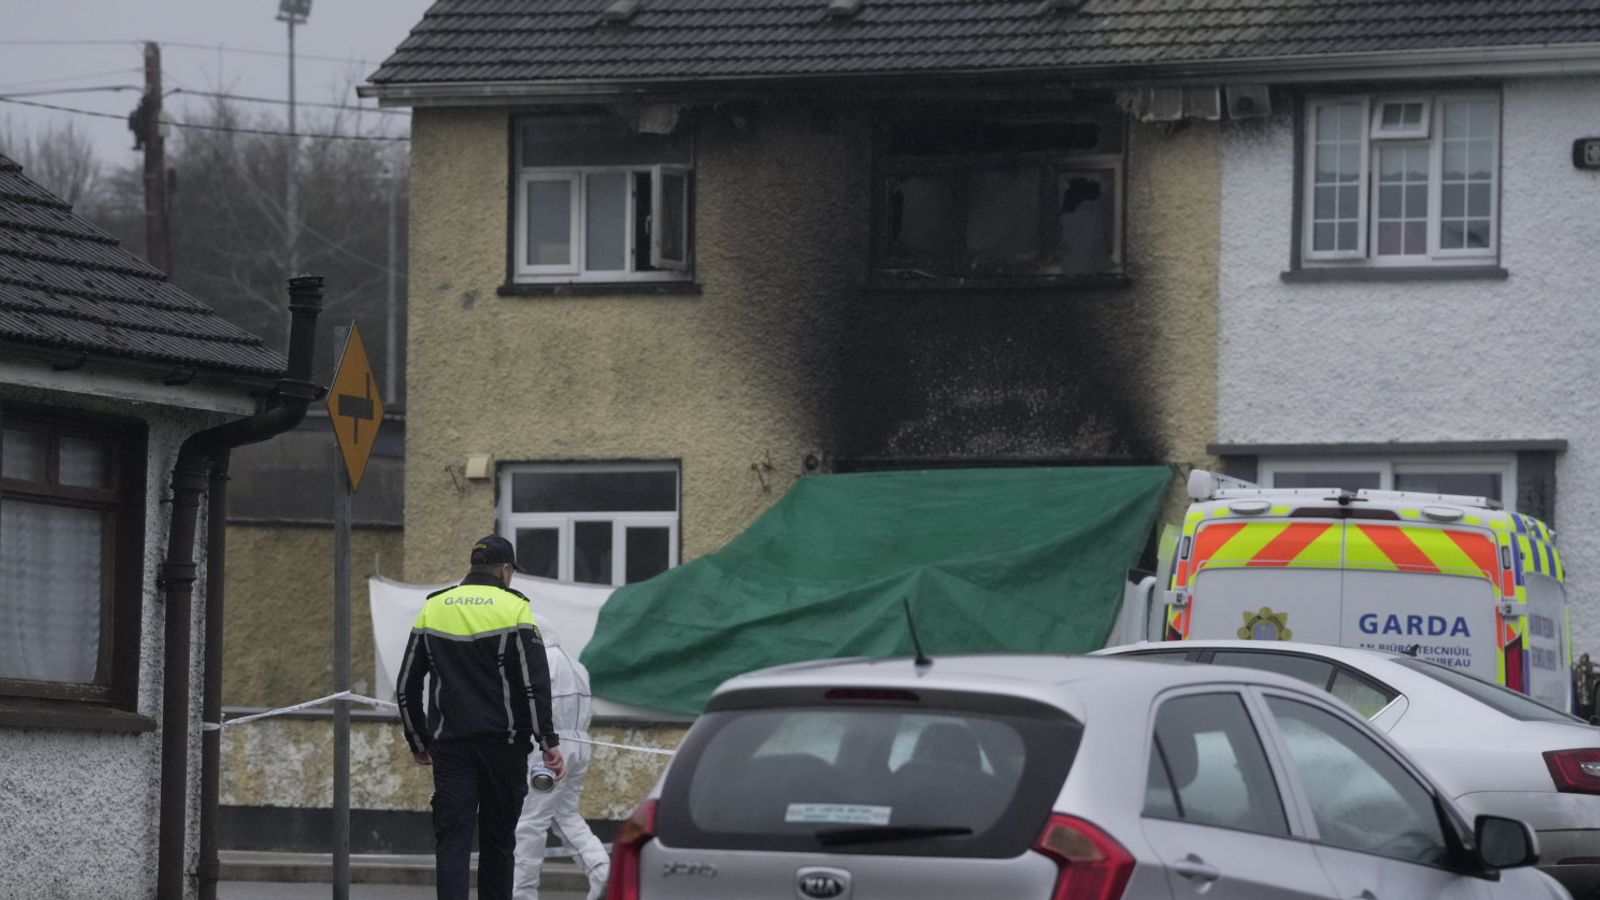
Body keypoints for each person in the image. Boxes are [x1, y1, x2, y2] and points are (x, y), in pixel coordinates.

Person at [398, 535, 565, 900]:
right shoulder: (516, 610)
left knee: (452, 842)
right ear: (506, 570)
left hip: (451, 749)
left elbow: (406, 687)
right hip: (503, 748)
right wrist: (548, 741)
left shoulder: (434, 608)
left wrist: (418, 741)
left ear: (473, 567)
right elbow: (534, 685)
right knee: (498, 843)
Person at [514, 623, 610, 900]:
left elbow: (527, 705)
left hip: (547, 750)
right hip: (579, 745)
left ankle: (521, 894)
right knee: (565, 815)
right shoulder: (577, 667)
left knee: (530, 822)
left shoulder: (538, 662)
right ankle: (603, 872)